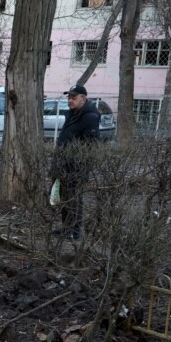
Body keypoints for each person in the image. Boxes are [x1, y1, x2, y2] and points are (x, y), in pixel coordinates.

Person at [52, 84, 101, 241]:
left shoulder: (90, 117)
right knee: (65, 196)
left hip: (76, 165)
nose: (70, 100)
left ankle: (76, 230)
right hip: (63, 162)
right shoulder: (73, 113)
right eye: (69, 97)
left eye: (73, 98)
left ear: (83, 99)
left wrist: (79, 164)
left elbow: (90, 145)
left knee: (74, 197)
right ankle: (66, 228)